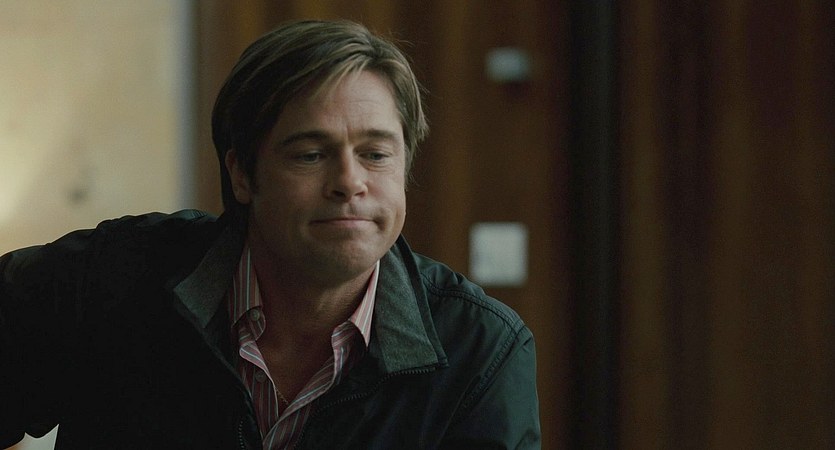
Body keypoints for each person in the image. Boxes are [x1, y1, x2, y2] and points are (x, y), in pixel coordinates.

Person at [0, 19, 540, 449]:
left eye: (376, 154)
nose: (350, 182)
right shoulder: (107, 282)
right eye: (310, 154)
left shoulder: (481, 351)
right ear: (241, 174)